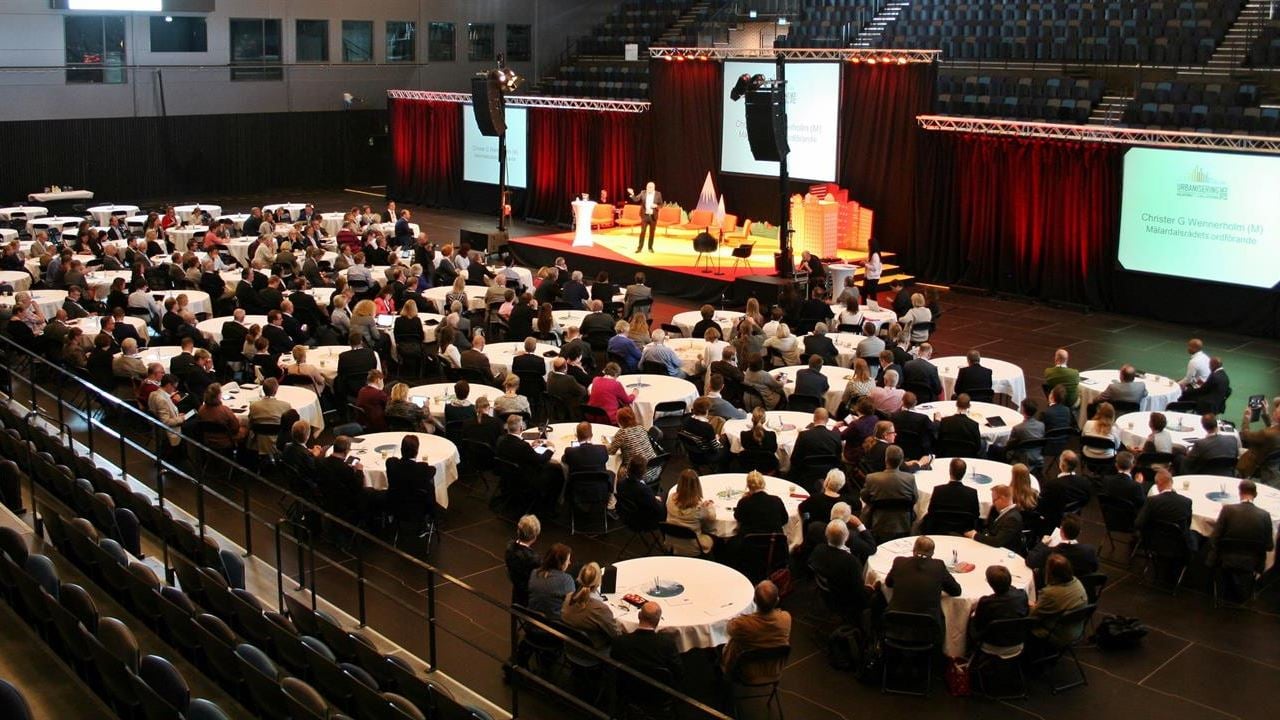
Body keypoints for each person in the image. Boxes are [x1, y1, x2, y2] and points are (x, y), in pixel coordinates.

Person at [882, 536, 961, 644]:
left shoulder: (899, 562)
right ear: (933, 553)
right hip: (927, 628)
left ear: (913, 549)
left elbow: (888, 583)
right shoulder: (938, 566)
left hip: (896, 624)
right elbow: (956, 591)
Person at [1208, 480, 1275, 593]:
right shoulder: (1265, 515)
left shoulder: (1227, 510)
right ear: (1255, 494)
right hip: (1253, 562)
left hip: (1225, 558)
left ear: (1239, 493)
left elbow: (1214, 539)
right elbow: (1269, 546)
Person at [721, 580, 792, 685]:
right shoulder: (786, 618)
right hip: (773, 670)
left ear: (754, 600)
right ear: (777, 601)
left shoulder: (742, 624)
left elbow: (728, 629)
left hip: (745, 672)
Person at [808, 519, 871, 620]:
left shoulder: (818, 549)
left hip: (827, 592)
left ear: (826, 534)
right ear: (846, 537)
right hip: (844, 598)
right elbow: (859, 592)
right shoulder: (850, 561)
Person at [1028, 554, 1088, 652]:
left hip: (1057, 633)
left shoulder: (1050, 593)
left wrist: (1029, 605)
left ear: (1051, 573)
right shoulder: (1077, 582)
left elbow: (1032, 617)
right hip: (1076, 628)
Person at [610, 602, 682, 680]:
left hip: (626, 688)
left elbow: (613, 666)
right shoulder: (667, 644)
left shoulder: (620, 642)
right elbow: (678, 672)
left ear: (639, 616)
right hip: (659, 689)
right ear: (658, 620)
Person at [859, 445, 919, 539]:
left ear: (886, 459)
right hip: (903, 524)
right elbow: (914, 499)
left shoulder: (872, 478)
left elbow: (864, 497)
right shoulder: (910, 478)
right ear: (901, 461)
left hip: (878, 523)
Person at [969, 565, 1030, 655]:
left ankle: (965, 650)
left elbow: (978, 624)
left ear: (990, 584)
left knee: (969, 617)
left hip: (992, 644)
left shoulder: (987, 602)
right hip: (1018, 640)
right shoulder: (1022, 595)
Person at [561, 562, 621, 650]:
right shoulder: (599, 608)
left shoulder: (569, 597)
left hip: (569, 646)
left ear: (579, 577)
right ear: (599, 581)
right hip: (592, 652)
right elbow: (615, 635)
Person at [1026, 514, 1098, 586]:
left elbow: (1030, 561)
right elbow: (1094, 568)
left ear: (1061, 531)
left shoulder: (1051, 553)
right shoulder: (1089, 551)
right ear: (1079, 532)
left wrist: (1042, 544)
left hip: (1055, 588)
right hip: (1079, 587)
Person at [1135, 469, 1196, 553]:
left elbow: (1138, 523)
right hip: (1179, 545)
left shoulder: (1152, 501)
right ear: (1172, 482)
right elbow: (1187, 526)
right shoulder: (1186, 502)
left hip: (1154, 541)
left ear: (1157, 485)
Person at [1038, 451, 1092, 530]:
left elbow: (1042, 505)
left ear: (1062, 465)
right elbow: (1086, 500)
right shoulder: (1085, 483)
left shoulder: (1052, 485)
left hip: (1053, 521)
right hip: (1074, 515)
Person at [926, 458, 980, 533]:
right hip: (963, 533)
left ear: (950, 471)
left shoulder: (938, 490)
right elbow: (976, 515)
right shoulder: (972, 493)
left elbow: (931, 511)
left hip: (939, 531)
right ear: (964, 473)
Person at [966, 484, 1024, 552]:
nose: (993, 503)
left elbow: (997, 541)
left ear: (1002, 499)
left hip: (1003, 553)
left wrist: (974, 535)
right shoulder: (1007, 513)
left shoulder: (1012, 519)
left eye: (994, 500)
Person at [527, 543, 575, 619]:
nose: (569, 563)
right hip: (552, 627)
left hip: (530, 623)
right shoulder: (566, 580)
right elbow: (571, 607)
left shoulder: (534, 573)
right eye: (568, 560)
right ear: (561, 562)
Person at [1238, 396, 1280, 481]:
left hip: (1252, 469)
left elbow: (1245, 435)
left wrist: (1246, 419)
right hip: (1272, 469)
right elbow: (1273, 429)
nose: (1274, 410)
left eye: (1276, 409)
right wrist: (1265, 413)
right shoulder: (1273, 433)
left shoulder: (1265, 434)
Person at [790, 408, 842, 475]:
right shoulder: (836, 436)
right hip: (828, 473)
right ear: (828, 420)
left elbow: (794, 459)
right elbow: (838, 461)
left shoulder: (804, 435)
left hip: (806, 473)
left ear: (814, 419)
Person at [247, 378, 292, 455]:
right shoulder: (286, 406)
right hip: (279, 443)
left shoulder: (254, 406)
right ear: (276, 391)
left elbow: (250, 424)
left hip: (258, 443)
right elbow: (288, 427)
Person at [504, 515, 542, 606]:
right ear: (535, 536)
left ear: (518, 531)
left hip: (516, 590)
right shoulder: (534, 560)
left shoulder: (510, 547)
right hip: (529, 595)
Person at [627, 182, 662, 253]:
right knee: (642, 232)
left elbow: (661, 204)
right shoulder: (643, 192)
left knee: (652, 233)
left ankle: (650, 247)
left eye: (651, 187)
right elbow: (636, 199)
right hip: (645, 216)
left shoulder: (658, 194)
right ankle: (639, 248)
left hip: (653, 216)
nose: (649, 188)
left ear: (654, 188)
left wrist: (656, 206)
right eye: (648, 187)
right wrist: (632, 194)